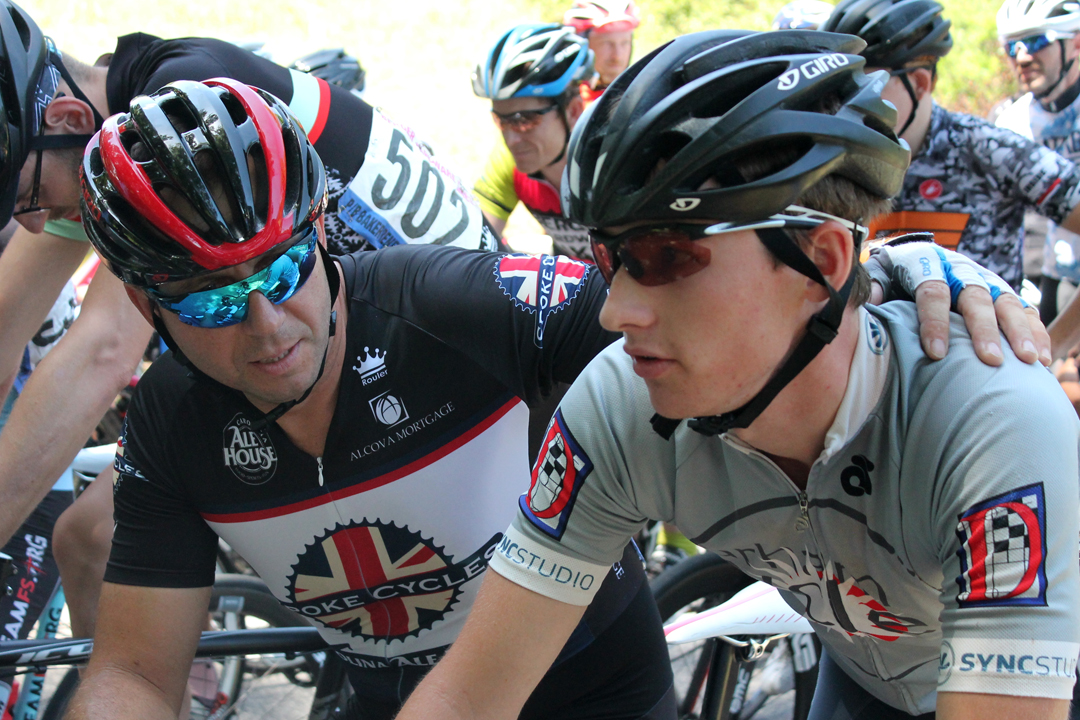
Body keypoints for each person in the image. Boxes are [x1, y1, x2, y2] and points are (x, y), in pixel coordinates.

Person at [394, 30, 1080, 720]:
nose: (616, 312)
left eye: (666, 254)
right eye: (611, 258)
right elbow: (467, 697)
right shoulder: (619, 403)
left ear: (823, 261)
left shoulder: (991, 422)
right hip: (867, 680)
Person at [65, 78, 675, 720]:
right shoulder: (172, 419)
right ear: (144, 305)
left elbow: (675, 326)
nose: (268, 324)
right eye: (211, 298)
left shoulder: (445, 307)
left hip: (598, 694)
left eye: (283, 267)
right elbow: (133, 671)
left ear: (321, 228)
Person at [0, 0, 497, 643]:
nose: (34, 224)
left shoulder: (168, 120)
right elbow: (7, 318)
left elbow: (101, 351)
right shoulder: (97, 133)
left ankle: (188, 681)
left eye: (27, 197)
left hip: (424, 342)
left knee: (94, 539)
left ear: (67, 120)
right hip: (321, 323)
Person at [823, 0, 1080, 297]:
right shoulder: (833, 156)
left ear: (920, 83)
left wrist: (1057, 341)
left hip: (980, 341)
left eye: (863, 88)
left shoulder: (987, 149)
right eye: (838, 88)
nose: (845, 104)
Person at [995, 0, 1080, 355]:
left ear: (1076, 42)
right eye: (1011, 47)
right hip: (1056, 273)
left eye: (1035, 41)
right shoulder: (1011, 123)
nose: (1022, 57)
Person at [472, 24, 596, 259]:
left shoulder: (613, 163)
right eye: (502, 121)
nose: (511, 139)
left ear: (573, 111)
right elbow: (471, 245)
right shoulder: (510, 160)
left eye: (524, 120)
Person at [563, 0, 641, 100]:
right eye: (606, 44)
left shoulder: (641, 96)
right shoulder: (567, 102)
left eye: (625, 43)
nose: (617, 56)